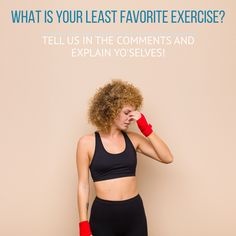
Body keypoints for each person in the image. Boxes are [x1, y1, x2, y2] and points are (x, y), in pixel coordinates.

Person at [76, 79, 174, 236]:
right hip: (103, 216)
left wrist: (146, 128)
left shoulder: (134, 139)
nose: (131, 118)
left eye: (134, 114)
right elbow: (83, 185)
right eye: (127, 113)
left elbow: (167, 157)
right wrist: (83, 224)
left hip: (134, 214)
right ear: (111, 110)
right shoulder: (86, 143)